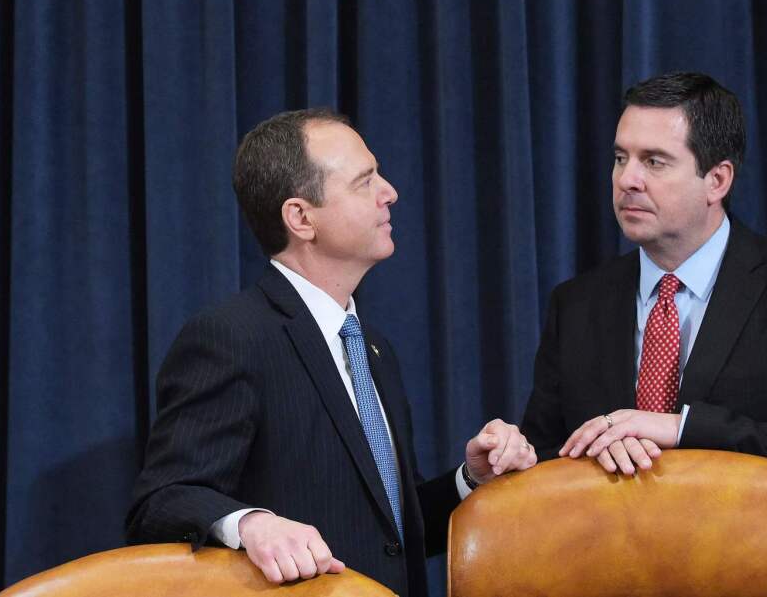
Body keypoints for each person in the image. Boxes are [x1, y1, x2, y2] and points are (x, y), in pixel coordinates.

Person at [126, 108, 535, 597]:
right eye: (364, 182)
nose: (390, 192)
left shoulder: (373, 347)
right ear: (301, 218)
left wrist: (472, 478)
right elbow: (161, 501)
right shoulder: (232, 337)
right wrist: (253, 525)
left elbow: (393, 531)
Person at [520, 72, 767, 504]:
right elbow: (545, 462)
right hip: (611, 564)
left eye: (654, 161)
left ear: (717, 180)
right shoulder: (576, 304)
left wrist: (682, 429)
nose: (627, 180)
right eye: (620, 158)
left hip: (750, 562)